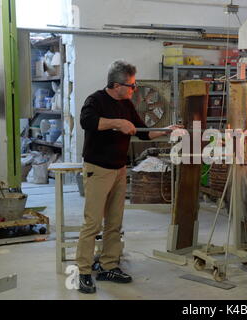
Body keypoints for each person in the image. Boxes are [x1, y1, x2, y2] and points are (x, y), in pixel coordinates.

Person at [76, 60, 181, 294]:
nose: (134, 90)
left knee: (115, 222)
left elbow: (143, 133)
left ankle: (108, 265)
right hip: (98, 169)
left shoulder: (127, 104)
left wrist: (166, 130)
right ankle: (83, 272)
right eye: (131, 85)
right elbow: (87, 122)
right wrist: (117, 123)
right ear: (116, 84)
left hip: (119, 169)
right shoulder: (96, 100)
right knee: (93, 223)